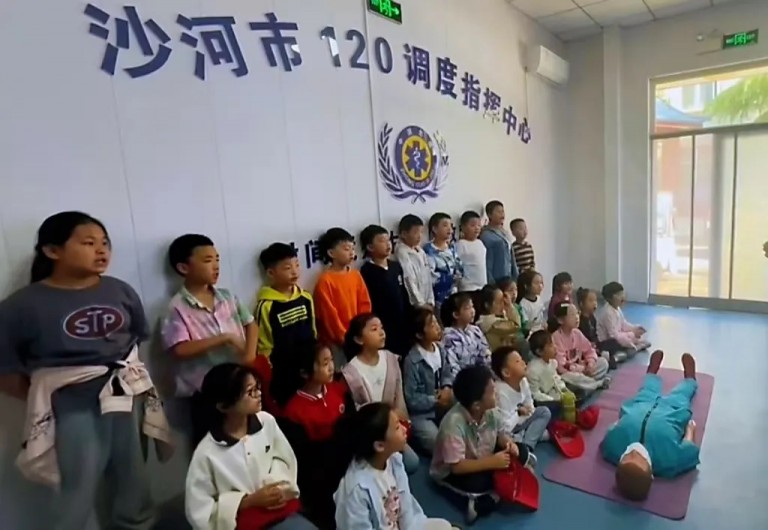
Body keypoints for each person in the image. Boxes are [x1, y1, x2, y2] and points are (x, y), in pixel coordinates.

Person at [0, 211, 172, 530]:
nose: (101, 250)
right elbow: (7, 372)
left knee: (133, 476)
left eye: (105, 243)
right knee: (76, 486)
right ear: (53, 251)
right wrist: (51, 399)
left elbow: (135, 343)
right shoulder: (21, 305)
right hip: (71, 408)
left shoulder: (120, 291)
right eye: (89, 243)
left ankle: (137, 524)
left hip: (126, 397)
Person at [185, 363, 317, 530]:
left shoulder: (266, 421)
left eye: (257, 387)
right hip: (239, 522)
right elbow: (200, 510)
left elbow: (283, 459)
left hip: (277, 510)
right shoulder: (206, 453)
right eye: (250, 392)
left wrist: (273, 488)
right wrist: (246, 502)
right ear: (223, 406)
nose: (259, 394)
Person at [162, 233, 259, 442]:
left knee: (251, 439)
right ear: (183, 268)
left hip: (240, 383)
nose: (216, 266)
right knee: (215, 444)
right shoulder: (177, 307)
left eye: (217, 260)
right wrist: (224, 338)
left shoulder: (227, 296)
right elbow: (179, 349)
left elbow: (251, 324)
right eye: (207, 261)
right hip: (206, 392)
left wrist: (250, 355)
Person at [431, 366, 536, 524]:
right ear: (476, 405)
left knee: (520, 450)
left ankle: (493, 495)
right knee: (479, 483)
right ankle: (486, 499)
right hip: (455, 470)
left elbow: (500, 434)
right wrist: (492, 462)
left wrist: (508, 443)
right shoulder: (453, 424)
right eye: (492, 392)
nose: (497, 394)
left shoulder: (491, 411)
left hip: (483, 455)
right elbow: (456, 467)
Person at [334, 403, 457, 530]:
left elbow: (406, 508)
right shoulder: (355, 490)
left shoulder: (394, 460)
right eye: (397, 427)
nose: (404, 429)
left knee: (446, 526)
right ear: (380, 446)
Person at [601, 350, 701, 501]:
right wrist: (690, 430)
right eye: (639, 458)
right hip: (670, 413)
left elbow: (611, 429)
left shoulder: (612, 448)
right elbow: (690, 449)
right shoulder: (670, 461)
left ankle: (651, 372)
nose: (634, 452)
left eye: (627, 456)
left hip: (640, 408)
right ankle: (690, 379)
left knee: (646, 391)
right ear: (651, 473)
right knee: (681, 396)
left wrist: (622, 420)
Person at [272, 340, 348, 529]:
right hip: (322, 477)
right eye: (324, 363)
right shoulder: (294, 411)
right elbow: (305, 460)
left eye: (331, 360)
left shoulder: (338, 390)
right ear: (305, 372)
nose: (331, 367)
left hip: (346, 463)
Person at [340, 313, 419, 474]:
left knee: (412, 462)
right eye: (374, 329)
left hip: (392, 425)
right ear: (359, 339)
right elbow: (356, 411)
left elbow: (399, 395)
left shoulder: (390, 359)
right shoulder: (350, 373)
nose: (382, 332)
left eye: (381, 328)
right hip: (371, 431)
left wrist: (400, 420)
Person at [313, 227, 372, 369]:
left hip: (359, 337)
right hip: (337, 342)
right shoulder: (325, 281)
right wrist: (344, 337)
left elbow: (365, 304)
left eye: (353, 249)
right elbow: (329, 316)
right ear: (331, 253)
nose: (351, 253)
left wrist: (363, 331)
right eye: (346, 249)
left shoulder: (355, 275)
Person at [403, 307, 452, 454]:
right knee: (439, 445)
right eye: (431, 325)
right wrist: (434, 400)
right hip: (422, 414)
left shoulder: (440, 349)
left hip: (442, 405)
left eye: (436, 322)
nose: (437, 327)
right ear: (419, 334)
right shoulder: (412, 361)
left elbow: (447, 372)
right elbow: (411, 398)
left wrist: (447, 387)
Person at [255, 242, 316, 362]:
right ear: (271, 273)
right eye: (288, 268)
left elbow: (313, 330)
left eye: (297, 265)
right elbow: (264, 344)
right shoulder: (266, 306)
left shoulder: (306, 297)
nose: (295, 272)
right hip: (282, 365)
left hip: (309, 361)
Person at [359, 225, 410, 357]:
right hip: (384, 325)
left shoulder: (395, 266)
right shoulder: (367, 272)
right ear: (370, 247)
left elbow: (404, 293)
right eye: (382, 241)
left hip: (403, 323)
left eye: (389, 240)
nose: (388, 244)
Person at [491, 346, 551, 448]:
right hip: (508, 430)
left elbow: (530, 406)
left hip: (522, 422)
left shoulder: (523, 381)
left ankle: (524, 439)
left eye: (522, 359)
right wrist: (518, 413)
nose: (523, 363)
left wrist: (527, 413)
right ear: (506, 372)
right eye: (517, 361)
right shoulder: (500, 392)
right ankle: (528, 445)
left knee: (544, 412)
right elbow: (504, 427)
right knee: (543, 432)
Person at [551, 303, 610, 393]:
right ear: (561, 320)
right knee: (567, 378)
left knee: (603, 362)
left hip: (582, 369)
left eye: (577, 313)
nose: (576, 317)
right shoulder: (556, 337)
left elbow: (589, 350)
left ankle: (587, 385)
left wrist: (590, 363)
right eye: (572, 314)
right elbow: (561, 367)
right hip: (569, 372)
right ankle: (597, 383)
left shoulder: (577, 333)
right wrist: (581, 369)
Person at [441, 292, 491, 387]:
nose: (472, 311)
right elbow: (452, 367)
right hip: (462, 383)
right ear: (456, 314)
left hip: (480, 378)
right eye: (467, 308)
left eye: (472, 307)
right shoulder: (448, 337)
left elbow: (485, 354)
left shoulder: (475, 330)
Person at [475, 284, 529, 360]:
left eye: (503, 301)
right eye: (499, 302)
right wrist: (510, 306)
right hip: (498, 359)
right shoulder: (488, 322)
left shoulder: (500, 316)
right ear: (487, 305)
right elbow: (516, 326)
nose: (503, 305)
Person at [597, 281, 651, 354]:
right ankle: (632, 348)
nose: (622, 297)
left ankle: (634, 346)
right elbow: (613, 335)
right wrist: (632, 334)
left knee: (636, 338)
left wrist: (635, 328)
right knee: (619, 343)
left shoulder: (617, 308)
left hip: (618, 335)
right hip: (607, 341)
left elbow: (623, 324)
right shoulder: (607, 313)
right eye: (619, 295)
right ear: (610, 298)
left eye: (622, 293)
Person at [577, 287, 624, 368]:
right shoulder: (579, 320)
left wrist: (596, 344)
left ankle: (609, 357)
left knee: (614, 342)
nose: (594, 303)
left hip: (595, 345)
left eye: (595, 300)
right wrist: (592, 346)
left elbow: (595, 335)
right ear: (581, 304)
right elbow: (581, 340)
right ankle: (608, 359)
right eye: (590, 301)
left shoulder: (592, 318)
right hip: (586, 348)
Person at [394, 214, 434, 308]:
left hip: (426, 299)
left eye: (421, 232)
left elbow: (428, 277)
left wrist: (430, 300)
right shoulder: (402, 252)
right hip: (415, 305)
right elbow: (409, 279)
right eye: (416, 232)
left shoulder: (420, 251)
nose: (419, 236)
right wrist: (420, 303)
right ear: (404, 234)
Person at [424, 212, 464, 307]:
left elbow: (460, 268)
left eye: (451, 226)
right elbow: (431, 276)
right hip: (438, 298)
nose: (450, 229)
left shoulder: (451, 248)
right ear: (434, 229)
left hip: (454, 295)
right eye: (445, 226)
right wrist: (449, 278)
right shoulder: (429, 250)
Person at [526, 330, 575, 406]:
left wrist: (564, 390)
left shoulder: (552, 362)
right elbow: (535, 393)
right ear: (539, 351)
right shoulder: (532, 370)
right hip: (545, 401)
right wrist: (553, 400)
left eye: (554, 344)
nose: (555, 347)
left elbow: (556, 379)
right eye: (551, 346)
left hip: (554, 393)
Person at [480, 200, 518, 283]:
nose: (502, 214)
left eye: (502, 211)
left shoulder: (505, 232)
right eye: (498, 212)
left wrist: (515, 275)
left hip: (508, 276)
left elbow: (511, 257)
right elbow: (487, 260)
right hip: (496, 277)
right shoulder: (486, 234)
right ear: (489, 215)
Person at [455, 210, 487, 292]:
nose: (477, 228)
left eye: (479, 225)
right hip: (468, 287)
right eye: (472, 225)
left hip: (482, 285)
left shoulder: (480, 243)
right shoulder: (461, 244)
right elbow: (457, 267)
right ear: (463, 227)